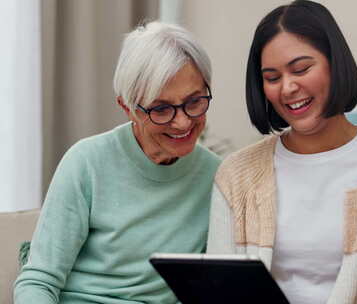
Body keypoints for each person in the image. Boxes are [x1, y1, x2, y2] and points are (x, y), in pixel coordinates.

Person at [207, 1, 357, 303]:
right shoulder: (236, 174)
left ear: (335, 64)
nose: (287, 88)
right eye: (272, 78)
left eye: (301, 69)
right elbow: (218, 290)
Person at [14, 21, 220, 303]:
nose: (183, 121)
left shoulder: (217, 176)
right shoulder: (86, 163)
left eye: (194, 101)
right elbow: (38, 281)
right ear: (128, 108)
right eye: (161, 109)